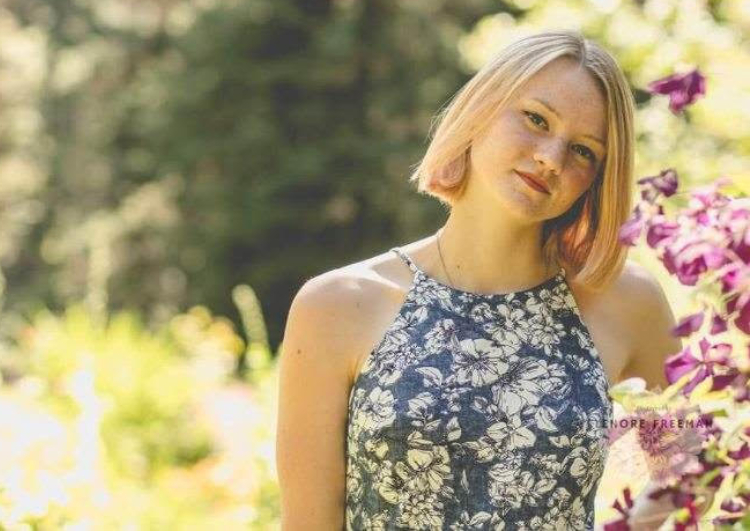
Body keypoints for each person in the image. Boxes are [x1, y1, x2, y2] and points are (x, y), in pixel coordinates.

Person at [276, 30, 687, 530]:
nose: (550, 158)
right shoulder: (338, 306)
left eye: (583, 151)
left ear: (598, 178)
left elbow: (691, 465)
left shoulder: (625, 302)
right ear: (481, 109)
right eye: (537, 119)